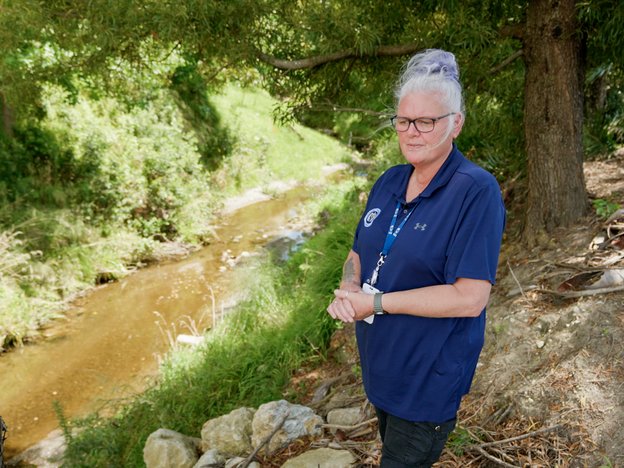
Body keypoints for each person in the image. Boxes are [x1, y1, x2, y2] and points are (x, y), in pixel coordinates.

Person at [326, 49, 505, 467]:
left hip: (427, 381)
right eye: (403, 121)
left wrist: (376, 303)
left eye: (426, 121)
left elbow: (469, 298)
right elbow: (358, 253)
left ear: (455, 123)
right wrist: (350, 287)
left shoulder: (475, 191)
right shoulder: (389, 180)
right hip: (382, 369)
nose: (412, 132)